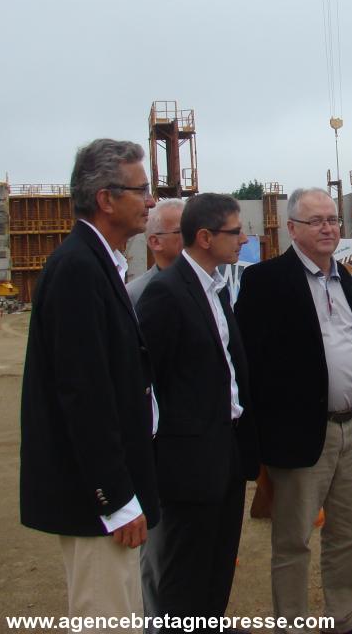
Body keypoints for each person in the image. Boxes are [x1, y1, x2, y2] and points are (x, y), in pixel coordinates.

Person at [19, 139, 159, 631]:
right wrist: (115, 500)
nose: (151, 200)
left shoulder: (98, 263)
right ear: (106, 199)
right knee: (106, 616)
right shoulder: (78, 269)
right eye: (141, 190)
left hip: (110, 494)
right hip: (96, 504)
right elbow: (83, 395)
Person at [235, 187, 352, 634]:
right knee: (294, 539)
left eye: (332, 220)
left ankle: (345, 618)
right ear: (292, 228)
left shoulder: (344, 276)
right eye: (315, 221)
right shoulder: (265, 280)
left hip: (350, 425)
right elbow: (250, 362)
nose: (327, 228)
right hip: (299, 434)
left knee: (350, 532)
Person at [136, 193, 259, 623]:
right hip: (188, 463)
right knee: (185, 573)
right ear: (205, 237)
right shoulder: (165, 294)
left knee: (218, 563)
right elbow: (147, 383)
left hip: (226, 451)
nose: (243, 239)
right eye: (235, 231)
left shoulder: (216, 287)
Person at [126, 197, 184, 308]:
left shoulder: (211, 284)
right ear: (156, 242)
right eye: (182, 231)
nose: (192, 237)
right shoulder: (135, 294)